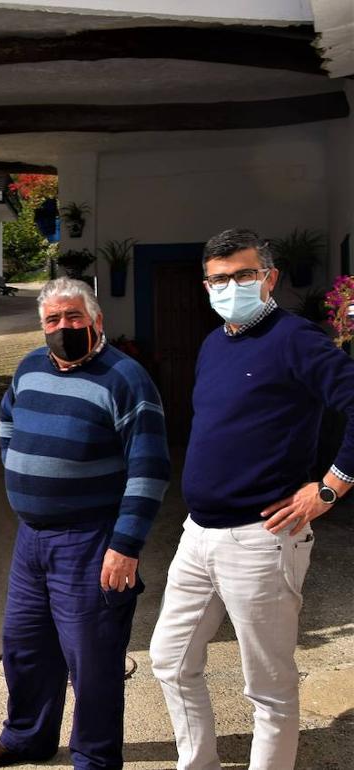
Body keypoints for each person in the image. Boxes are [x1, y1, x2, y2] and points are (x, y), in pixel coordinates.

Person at [150, 228, 354, 770]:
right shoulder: (214, 343)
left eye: (243, 275)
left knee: (268, 688)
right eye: (218, 279)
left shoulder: (298, 340)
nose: (229, 286)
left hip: (263, 540)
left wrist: (329, 487)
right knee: (169, 661)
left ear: (270, 279)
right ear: (205, 284)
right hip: (198, 535)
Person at [0, 277, 171, 769]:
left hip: (91, 540)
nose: (63, 327)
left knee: (93, 660)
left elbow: (149, 469)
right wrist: (26, 471)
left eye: (74, 317)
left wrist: (125, 545)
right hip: (32, 540)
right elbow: (7, 423)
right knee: (25, 647)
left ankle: (95, 757)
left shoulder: (126, 379)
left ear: (96, 321)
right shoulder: (29, 367)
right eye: (53, 320)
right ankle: (27, 738)